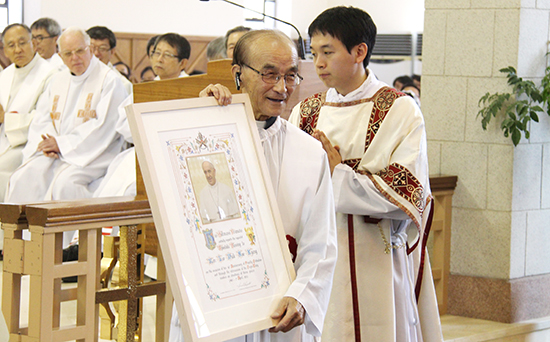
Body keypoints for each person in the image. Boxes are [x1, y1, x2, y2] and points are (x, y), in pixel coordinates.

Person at [170, 29, 338, 342]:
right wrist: (197, 124)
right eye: (269, 74)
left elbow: (322, 242)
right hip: (217, 305)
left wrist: (303, 296)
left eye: (290, 76)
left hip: (280, 313)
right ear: (238, 74)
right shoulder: (206, 139)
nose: (282, 87)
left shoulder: (308, 151)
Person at [288, 7, 442, 342]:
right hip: (316, 259)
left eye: (328, 52)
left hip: (375, 257)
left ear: (360, 51)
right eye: (314, 54)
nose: (319, 63)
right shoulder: (306, 112)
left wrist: (335, 174)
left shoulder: (399, 110)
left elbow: (408, 193)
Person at [6, 26, 128, 207]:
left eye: (80, 51)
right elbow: (43, 119)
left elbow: (104, 126)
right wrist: (48, 144)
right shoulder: (58, 80)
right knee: (22, 177)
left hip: (97, 152)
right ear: (60, 56)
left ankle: (71, 236)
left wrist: (63, 144)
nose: (75, 58)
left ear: (90, 50)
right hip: (57, 152)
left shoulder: (109, 80)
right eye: (68, 53)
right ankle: (23, 235)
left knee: (64, 184)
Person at [0, 24, 55, 201]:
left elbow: (45, 119)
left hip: (27, 144)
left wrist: (6, 119)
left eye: (22, 42)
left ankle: (6, 227)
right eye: (11, 45)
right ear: (5, 51)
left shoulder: (50, 74)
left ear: (33, 44)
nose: (17, 50)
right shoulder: (5, 75)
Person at [86, 26, 133, 93]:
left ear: (112, 52)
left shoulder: (122, 84)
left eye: (102, 48)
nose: (96, 53)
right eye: (91, 48)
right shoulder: (74, 77)